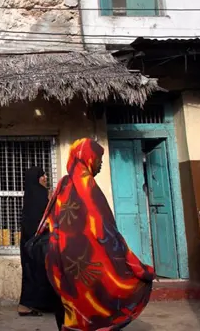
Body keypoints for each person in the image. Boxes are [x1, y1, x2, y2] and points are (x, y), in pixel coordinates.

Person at [40, 138, 155, 330]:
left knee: (69, 305)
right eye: (99, 159)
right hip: (86, 261)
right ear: (89, 158)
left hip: (60, 259)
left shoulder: (63, 184)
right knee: (95, 303)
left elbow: (50, 220)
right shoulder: (88, 187)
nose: (101, 164)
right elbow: (104, 228)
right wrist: (129, 260)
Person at [17, 167, 51, 317]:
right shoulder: (42, 195)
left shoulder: (29, 195)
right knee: (42, 271)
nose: (46, 177)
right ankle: (34, 305)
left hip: (27, 242)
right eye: (42, 175)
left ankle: (27, 305)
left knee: (29, 271)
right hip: (40, 243)